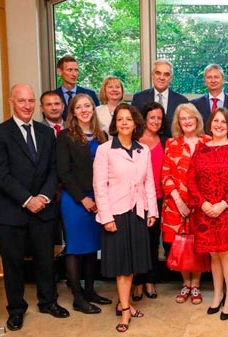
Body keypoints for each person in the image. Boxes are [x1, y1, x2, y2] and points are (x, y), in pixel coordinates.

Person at [0, 84, 70, 331]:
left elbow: (55, 169)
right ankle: (16, 310)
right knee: (13, 265)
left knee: (46, 260)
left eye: (31, 101)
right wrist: (27, 200)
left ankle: (48, 302)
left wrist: (42, 197)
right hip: (10, 213)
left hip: (43, 210)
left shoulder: (45, 133)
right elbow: (1, 175)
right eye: (22, 101)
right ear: (12, 101)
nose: (27, 105)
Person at [93, 103, 158, 333]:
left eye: (128, 119)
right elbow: (99, 186)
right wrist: (106, 216)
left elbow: (148, 182)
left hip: (138, 213)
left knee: (132, 266)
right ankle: (124, 311)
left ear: (135, 123)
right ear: (115, 123)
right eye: (120, 119)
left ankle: (127, 304)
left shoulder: (143, 150)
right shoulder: (105, 150)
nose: (124, 123)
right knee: (122, 267)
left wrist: (152, 211)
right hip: (116, 214)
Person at [187, 107, 228, 320]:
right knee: (214, 254)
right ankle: (217, 295)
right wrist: (203, 203)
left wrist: (223, 204)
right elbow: (191, 180)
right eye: (216, 121)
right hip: (206, 212)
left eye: (223, 122)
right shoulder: (201, 150)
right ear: (210, 124)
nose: (219, 125)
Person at [56, 94, 111, 314]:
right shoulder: (65, 136)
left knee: (91, 248)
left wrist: (100, 197)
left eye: (88, 105)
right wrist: (83, 199)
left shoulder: (102, 135)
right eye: (79, 107)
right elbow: (64, 172)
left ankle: (90, 291)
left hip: (97, 198)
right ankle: (77, 297)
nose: (85, 110)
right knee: (76, 248)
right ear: (73, 111)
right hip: (75, 200)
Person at [161, 103, 211, 305]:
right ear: (178, 123)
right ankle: (186, 284)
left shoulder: (208, 142)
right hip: (176, 205)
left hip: (201, 205)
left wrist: (198, 201)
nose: (188, 121)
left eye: (191, 117)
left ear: (197, 119)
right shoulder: (171, 143)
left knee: (198, 244)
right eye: (183, 118)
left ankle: (196, 285)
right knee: (179, 244)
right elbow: (165, 175)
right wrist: (179, 200)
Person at [131, 102, 168, 301]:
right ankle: (137, 282)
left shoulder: (165, 141)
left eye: (159, 118)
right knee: (138, 242)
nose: (155, 121)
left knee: (153, 242)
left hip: (160, 198)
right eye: (152, 117)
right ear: (144, 118)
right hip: (136, 199)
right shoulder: (134, 140)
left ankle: (150, 280)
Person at [131, 59, 189, 137]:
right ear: (152, 75)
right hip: (145, 145)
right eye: (158, 73)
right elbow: (134, 125)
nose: (161, 77)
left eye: (166, 74)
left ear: (171, 78)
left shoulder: (182, 101)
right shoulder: (139, 98)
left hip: (173, 145)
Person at [54, 55, 100, 120]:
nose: (74, 74)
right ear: (59, 71)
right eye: (69, 70)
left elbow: (97, 118)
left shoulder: (90, 94)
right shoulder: (53, 96)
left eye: (76, 70)